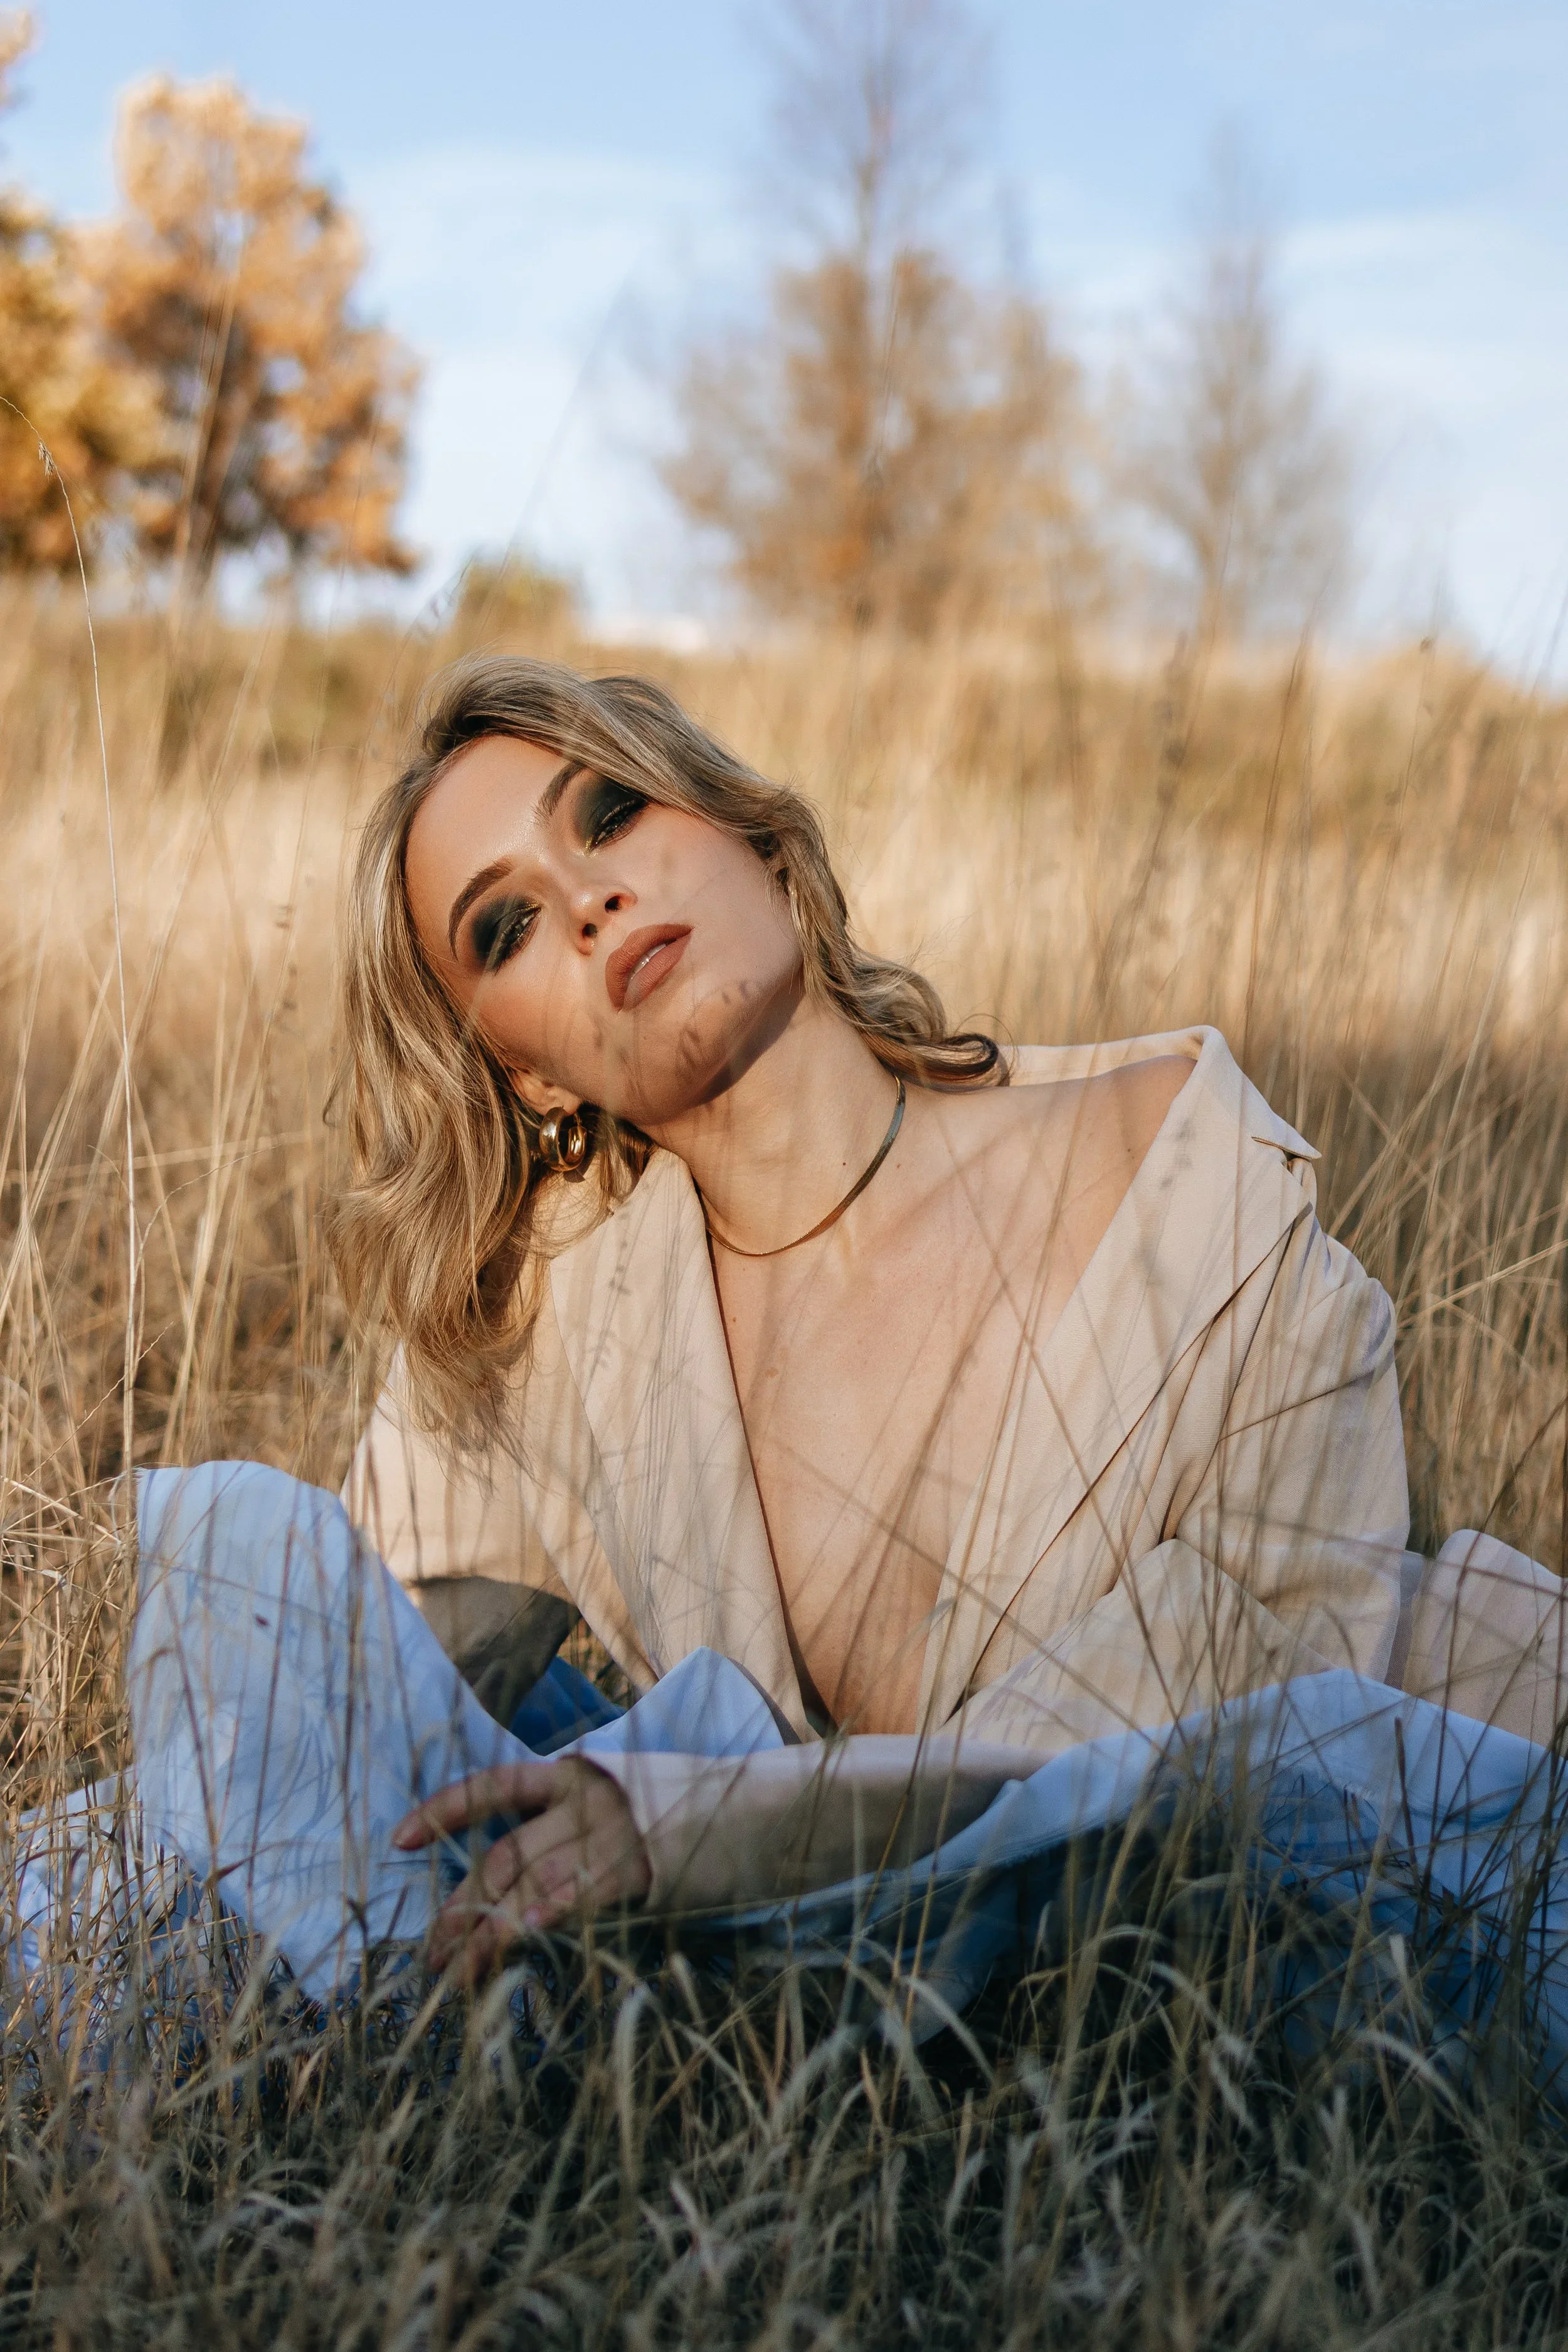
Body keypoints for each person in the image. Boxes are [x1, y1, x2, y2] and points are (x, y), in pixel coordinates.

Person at [324, 656, 1565, 1987]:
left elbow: (1241, 1701)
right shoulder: (554, 1328)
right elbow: (323, 1698)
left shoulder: (1177, 1167)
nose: (586, 901)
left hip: (1453, 1866)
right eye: (503, 927)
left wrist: (719, 1830)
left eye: (611, 815)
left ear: (747, 833)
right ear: (521, 1067)